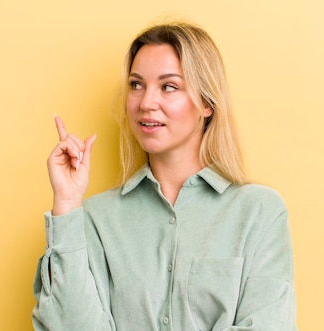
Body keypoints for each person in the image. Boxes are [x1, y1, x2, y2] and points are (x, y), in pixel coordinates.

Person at [32, 21, 297, 331]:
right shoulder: (93, 219)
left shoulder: (259, 212)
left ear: (207, 103)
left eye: (168, 86)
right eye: (136, 84)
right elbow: (69, 326)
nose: (146, 103)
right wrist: (66, 203)